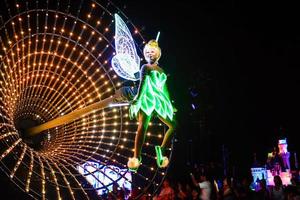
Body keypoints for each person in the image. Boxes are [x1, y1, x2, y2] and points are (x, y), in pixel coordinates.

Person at [127, 40, 177, 171]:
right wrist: (138, 100)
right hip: (147, 100)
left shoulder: (162, 70)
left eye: (152, 52)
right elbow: (142, 85)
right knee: (142, 126)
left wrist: (169, 105)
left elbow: (165, 89)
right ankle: (136, 156)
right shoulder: (145, 67)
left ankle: (162, 149)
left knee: (174, 125)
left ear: (158, 54)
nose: (150, 54)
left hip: (159, 101)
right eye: (147, 52)